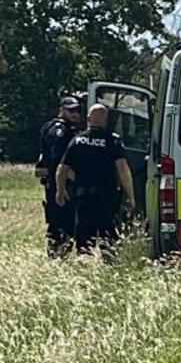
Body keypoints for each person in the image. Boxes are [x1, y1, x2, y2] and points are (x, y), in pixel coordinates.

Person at [55, 104, 135, 255]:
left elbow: (62, 169)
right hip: (106, 197)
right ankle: (108, 267)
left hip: (83, 197)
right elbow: (123, 169)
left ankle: (84, 267)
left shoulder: (77, 140)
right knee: (108, 238)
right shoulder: (112, 141)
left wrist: (60, 191)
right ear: (106, 120)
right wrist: (130, 196)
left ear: (88, 119)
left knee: (84, 239)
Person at [35, 96, 81, 256]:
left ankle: (59, 254)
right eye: (71, 110)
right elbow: (58, 160)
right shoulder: (62, 131)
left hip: (55, 182)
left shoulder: (49, 127)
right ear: (61, 110)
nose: (75, 114)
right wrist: (63, 185)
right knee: (63, 221)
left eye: (77, 110)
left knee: (59, 221)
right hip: (61, 183)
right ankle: (57, 255)